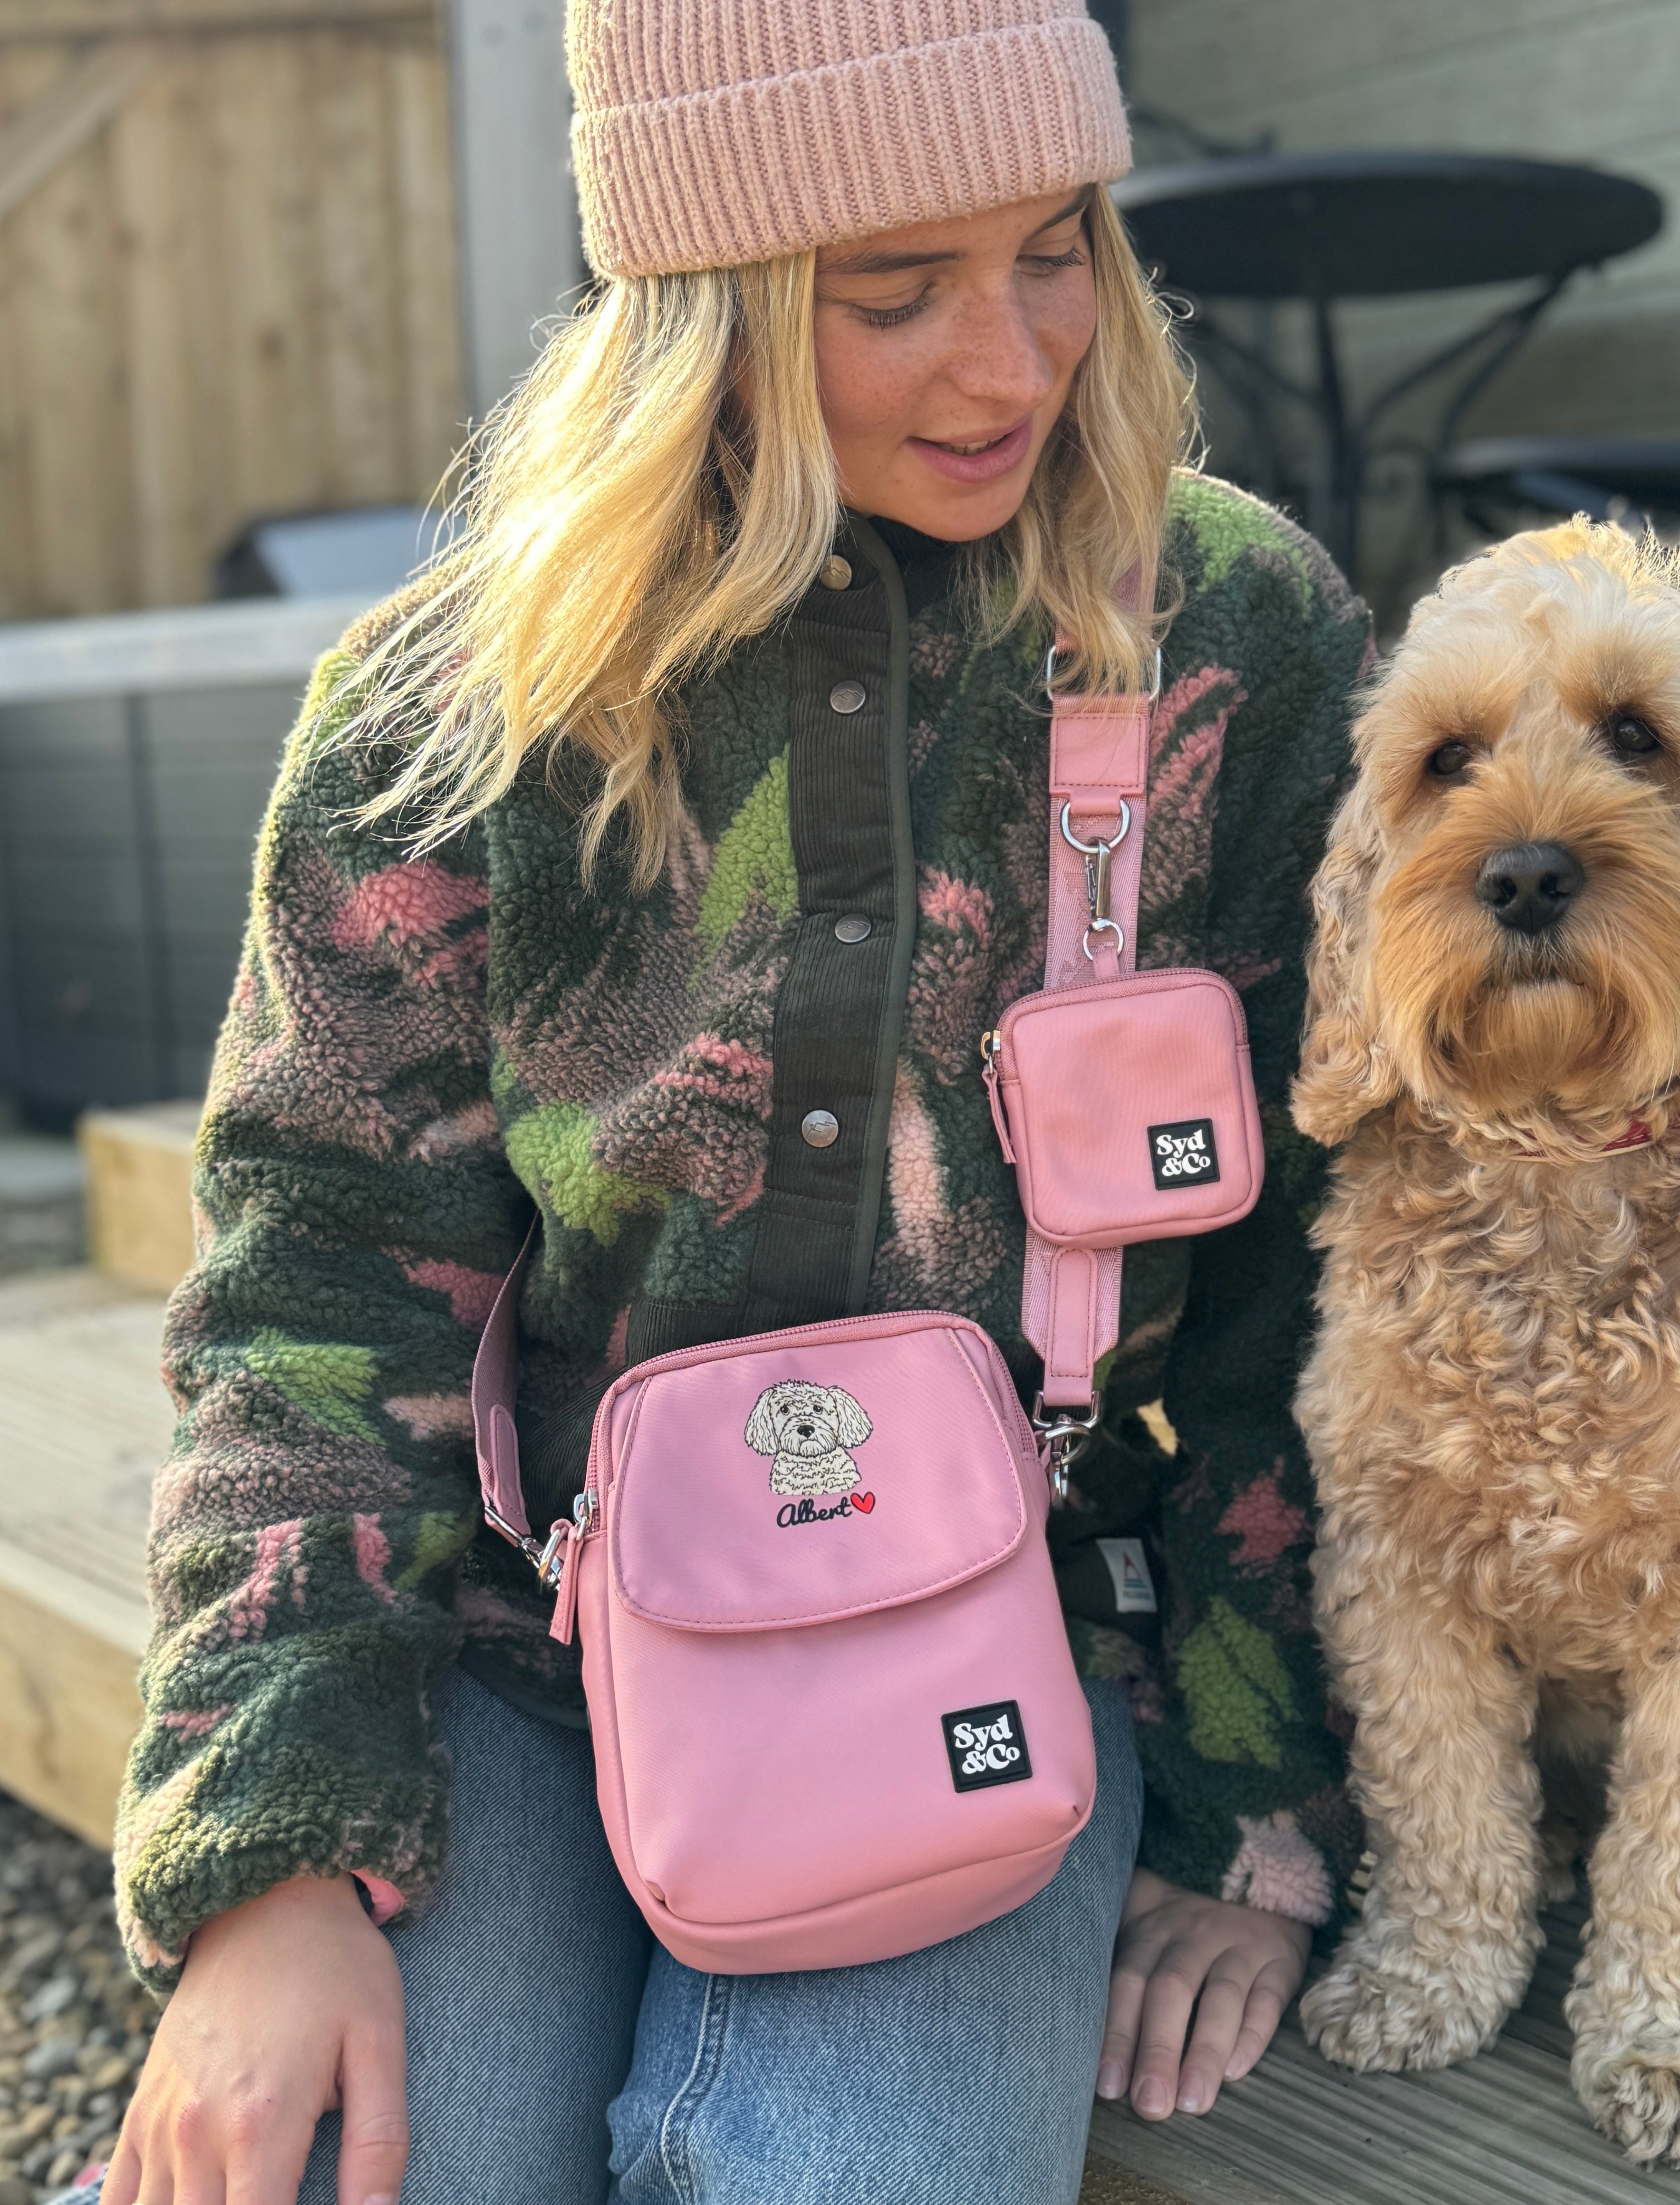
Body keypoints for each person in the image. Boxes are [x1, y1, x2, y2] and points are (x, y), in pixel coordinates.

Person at [101, 6, 1370, 2201]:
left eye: (1058, 248)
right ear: (693, 310)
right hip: (506, 1655)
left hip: (1000, 1635)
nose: (1012, 360)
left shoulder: (1230, 645)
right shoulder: (437, 721)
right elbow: (310, 1289)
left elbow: (1327, 1291)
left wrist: (1241, 1795)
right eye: (891, 292)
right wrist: (269, 1861)